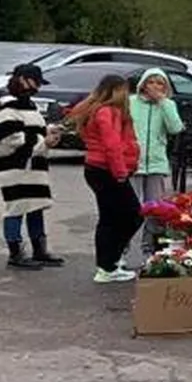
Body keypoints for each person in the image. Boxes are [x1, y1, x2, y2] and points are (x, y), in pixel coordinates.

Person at [0, 63, 67, 270]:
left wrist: (49, 130)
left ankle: (39, 249)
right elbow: (12, 140)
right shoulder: (8, 109)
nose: (38, 87)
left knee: (35, 206)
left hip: (33, 167)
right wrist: (44, 142)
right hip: (16, 168)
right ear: (23, 80)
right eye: (36, 82)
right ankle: (16, 253)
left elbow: (31, 130)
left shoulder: (28, 106)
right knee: (17, 207)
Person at [66, 73, 142, 284]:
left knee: (110, 218)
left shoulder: (93, 109)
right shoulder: (108, 112)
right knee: (131, 215)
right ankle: (109, 263)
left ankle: (107, 264)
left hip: (96, 168)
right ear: (117, 90)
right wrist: (120, 172)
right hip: (107, 170)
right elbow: (112, 145)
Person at [126, 68, 186, 268]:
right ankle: (121, 252)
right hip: (132, 163)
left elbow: (176, 128)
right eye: (151, 82)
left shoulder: (167, 105)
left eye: (160, 84)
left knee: (155, 210)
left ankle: (149, 251)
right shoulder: (130, 102)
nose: (155, 87)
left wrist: (163, 103)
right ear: (143, 84)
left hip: (157, 163)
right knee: (130, 209)